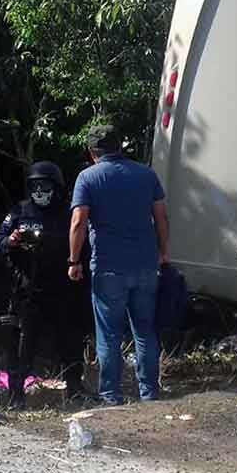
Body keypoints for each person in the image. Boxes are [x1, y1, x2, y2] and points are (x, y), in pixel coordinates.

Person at [68, 125, 170, 405]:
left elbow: (78, 222)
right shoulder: (146, 174)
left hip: (108, 267)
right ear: (120, 147)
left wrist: (73, 260)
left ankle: (111, 394)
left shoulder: (87, 177)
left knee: (109, 333)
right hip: (146, 265)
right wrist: (163, 251)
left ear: (92, 152)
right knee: (145, 330)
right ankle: (149, 392)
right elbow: (161, 217)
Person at [0, 161, 89, 407]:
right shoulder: (19, 212)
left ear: (56, 188)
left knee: (70, 341)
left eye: (45, 187)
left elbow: (85, 246)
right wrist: (11, 241)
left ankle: (75, 389)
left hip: (63, 289)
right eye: (35, 186)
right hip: (28, 290)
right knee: (22, 345)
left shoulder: (69, 214)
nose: (40, 192)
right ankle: (16, 395)